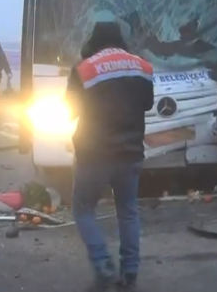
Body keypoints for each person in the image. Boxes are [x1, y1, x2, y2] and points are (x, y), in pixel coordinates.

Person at [65, 18, 154, 291]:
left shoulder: (84, 69)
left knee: (83, 208)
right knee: (128, 212)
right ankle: (130, 272)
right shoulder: (142, 66)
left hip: (94, 154)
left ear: (94, 39)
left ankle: (103, 264)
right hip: (130, 153)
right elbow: (148, 104)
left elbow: (71, 110)